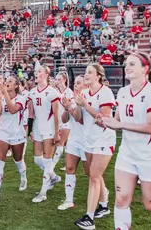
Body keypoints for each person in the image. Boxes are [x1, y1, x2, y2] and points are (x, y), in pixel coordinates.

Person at [101, 52, 151, 230]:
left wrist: (120, 124)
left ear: (145, 69)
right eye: (127, 64)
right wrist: (105, 121)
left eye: (133, 64)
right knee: (121, 199)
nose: (127, 67)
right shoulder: (123, 92)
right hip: (127, 153)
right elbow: (117, 123)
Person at [72, 64, 114, 229]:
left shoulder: (105, 92)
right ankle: (104, 205)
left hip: (103, 140)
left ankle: (89, 218)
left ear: (98, 76)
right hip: (89, 139)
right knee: (94, 174)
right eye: (86, 72)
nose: (86, 75)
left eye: (90, 72)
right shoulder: (83, 93)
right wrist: (70, 107)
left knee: (94, 177)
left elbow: (103, 119)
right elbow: (79, 118)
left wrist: (85, 105)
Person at [28, 65, 62, 203]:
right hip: (37, 128)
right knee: (37, 159)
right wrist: (30, 130)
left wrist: (57, 132)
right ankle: (53, 176)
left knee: (47, 161)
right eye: (36, 72)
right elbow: (31, 113)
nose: (36, 74)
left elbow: (56, 114)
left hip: (49, 129)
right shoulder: (32, 92)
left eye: (39, 72)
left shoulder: (53, 92)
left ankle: (43, 192)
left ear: (46, 75)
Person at [0, 75, 28, 201]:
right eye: (6, 81)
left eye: (10, 81)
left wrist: (4, 95)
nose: (7, 83)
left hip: (17, 133)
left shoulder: (22, 98)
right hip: (2, 133)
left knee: (18, 160)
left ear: (16, 86)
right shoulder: (2, 97)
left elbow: (13, 110)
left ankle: (23, 178)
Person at [58, 75, 87, 212]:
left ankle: (103, 195)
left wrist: (70, 107)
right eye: (75, 83)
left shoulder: (88, 100)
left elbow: (79, 118)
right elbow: (64, 120)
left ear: (86, 85)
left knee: (91, 173)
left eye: (79, 83)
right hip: (74, 139)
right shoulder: (72, 100)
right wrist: (65, 108)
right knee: (69, 168)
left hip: (88, 141)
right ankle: (69, 200)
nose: (75, 86)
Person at [53, 71, 73, 171]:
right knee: (66, 144)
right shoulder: (55, 91)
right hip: (57, 120)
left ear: (64, 80)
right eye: (56, 79)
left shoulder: (68, 92)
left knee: (60, 143)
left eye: (59, 79)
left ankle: (51, 166)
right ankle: (68, 163)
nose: (57, 81)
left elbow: (71, 107)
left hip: (66, 121)